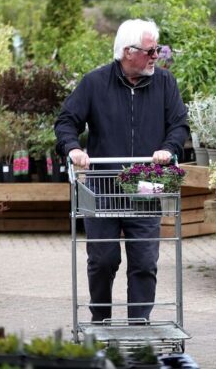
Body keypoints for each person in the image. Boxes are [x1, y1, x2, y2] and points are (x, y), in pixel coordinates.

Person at [54, 19, 189, 323]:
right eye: (151, 50)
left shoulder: (165, 83)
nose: (157, 55)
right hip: (103, 187)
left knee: (144, 261)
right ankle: (100, 319)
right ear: (129, 52)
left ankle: (139, 324)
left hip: (146, 185)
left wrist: (169, 148)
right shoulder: (94, 83)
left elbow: (179, 124)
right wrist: (73, 148)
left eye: (157, 50)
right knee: (103, 259)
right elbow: (66, 121)